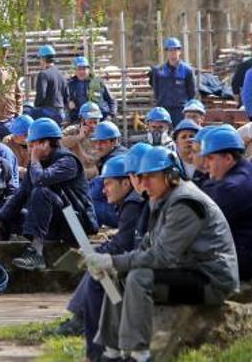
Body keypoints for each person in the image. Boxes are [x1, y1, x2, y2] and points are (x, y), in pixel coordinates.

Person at [89, 146, 238, 362]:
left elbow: (162, 255)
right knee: (120, 276)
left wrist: (113, 260)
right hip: (189, 270)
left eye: (152, 177)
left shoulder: (185, 202)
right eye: (142, 177)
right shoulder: (162, 199)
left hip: (212, 279)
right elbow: (148, 246)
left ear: (171, 176)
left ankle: (138, 354)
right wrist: (112, 265)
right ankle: (112, 351)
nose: (145, 183)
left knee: (139, 278)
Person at [0, 118, 97, 271]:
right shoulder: (38, 163)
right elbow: (21, 194)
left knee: (40, 192)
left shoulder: (67, 161)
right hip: (55, 222)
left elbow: (41, 180)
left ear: (46, 143)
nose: (30, 149)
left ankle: (36, 253)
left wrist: (35, 160)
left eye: (32, 145)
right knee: (14, 214)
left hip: (76, 223)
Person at [65, 155, 145, 360]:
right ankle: (86, 330)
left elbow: (121, 245)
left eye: (108, 183)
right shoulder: (130, 202)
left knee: (98, 275)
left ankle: (94, 347)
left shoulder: (134, 204)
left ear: (126, 182)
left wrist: (96, 254)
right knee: (96, 269)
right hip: (137, 263)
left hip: (142, 268)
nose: (103, 189)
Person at [199, 126, 252, 280]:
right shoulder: (246, 169)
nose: (205, 164)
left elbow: (198, 226)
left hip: (238, 264)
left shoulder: (230, 188)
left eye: (210, 158)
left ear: (228, 158)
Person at [87, 121, 128, 228]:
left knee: (88, 204)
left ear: (114, 141)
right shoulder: (118, 153)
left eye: (102, 142)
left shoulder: (115, 158)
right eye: (96, 142)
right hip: (127, 209)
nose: (97, 146)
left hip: (126, 213)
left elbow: (96, 191)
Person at [149, 37, 196, 125]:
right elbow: (156, 89)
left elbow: (192, 92)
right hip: (163, 109)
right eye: (170, 50)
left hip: (180, 110)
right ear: (167, 52)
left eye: (175, 50)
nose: (173, 53)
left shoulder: (187, 70)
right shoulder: (159, 70)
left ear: (180, 51)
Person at [61, 100, 104, 181]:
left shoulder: (101, 133)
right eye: (90, 122)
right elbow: (59, 142)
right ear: (82, 121)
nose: (93, 126)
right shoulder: (72, 130)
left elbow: (91, 161)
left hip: (92, 174)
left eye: (95, 122)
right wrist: (78, 138)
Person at [67, 56, 116, 123]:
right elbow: (62, 101)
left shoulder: (98, 82)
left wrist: (110, 116)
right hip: (81, 121)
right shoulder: (70, 85)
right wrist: (68, 103)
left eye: (84, 69)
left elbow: (111, 100)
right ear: (75, 70)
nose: (81, 72)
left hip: (101, 119)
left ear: (88, 70)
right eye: (79, 69)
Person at [28, 45, 69, 124]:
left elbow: (41, 95)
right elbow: (66, 97)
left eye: (40, 59)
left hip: (47, 113)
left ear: (43, 59)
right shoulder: (62, 75)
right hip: (60, 114)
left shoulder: (43, 74)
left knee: (27, 112)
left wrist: (36, 106)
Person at [3, 114, 32, 179]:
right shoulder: (8, 141)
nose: (14, 135)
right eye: (14, 133)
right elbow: (7, 166)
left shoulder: (36, 144)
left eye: (17, 134)